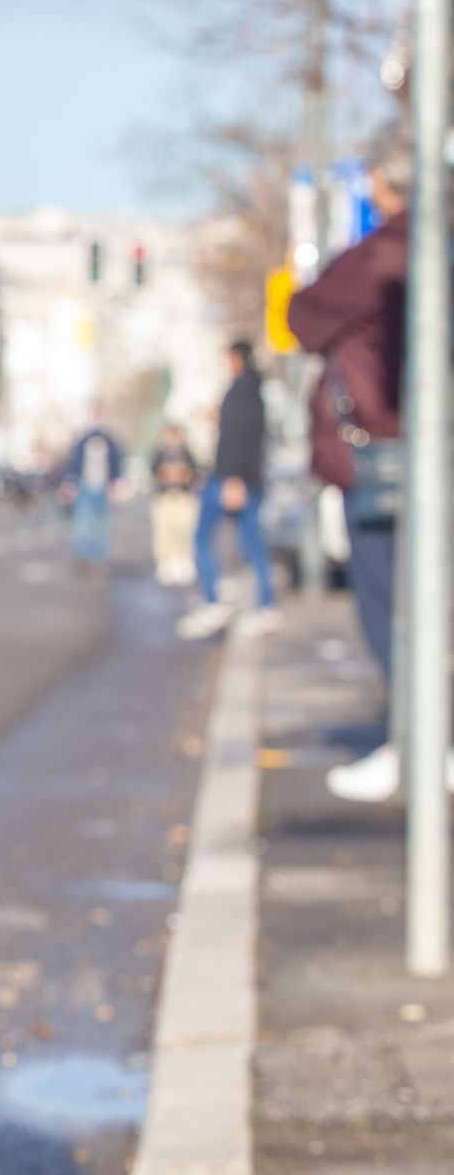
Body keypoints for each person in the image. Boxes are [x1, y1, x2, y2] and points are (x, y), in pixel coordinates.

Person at [285, 125, 442, 802]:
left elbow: (305, 317)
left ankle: (419, 744)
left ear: (384, 183)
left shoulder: (382, 253)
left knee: (389, 602)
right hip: (430, 447)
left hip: (383, 455)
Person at [177, 341, 279, 640]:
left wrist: (234, 479)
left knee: (204, 537)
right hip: (245, 478)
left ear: (237, 358)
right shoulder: (252, 390)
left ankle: (215, 602)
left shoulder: (241, 391)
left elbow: (239, 437)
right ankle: (265, 606)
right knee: (252, 542)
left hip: (232, 478)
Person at [64, 411, 123, 571]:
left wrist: (116, 482)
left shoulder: (110, 442)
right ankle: (84, 556)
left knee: (101, 524)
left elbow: (116, 465)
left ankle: (99, 557)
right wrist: (71, 483)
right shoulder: (83, 442)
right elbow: (74, 464)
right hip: (85, 487)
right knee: (83, 523)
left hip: (102, 488)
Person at [149, 423, 201, 587]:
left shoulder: (187, 453)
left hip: (184, 495)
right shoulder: (159, 453)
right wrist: (166, 474)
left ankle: (184, 561)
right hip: (165, 496)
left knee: (185, 528)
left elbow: (194, 472)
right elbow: (154, 471)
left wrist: (183, 475)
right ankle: (166, 562)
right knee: (164, 530)